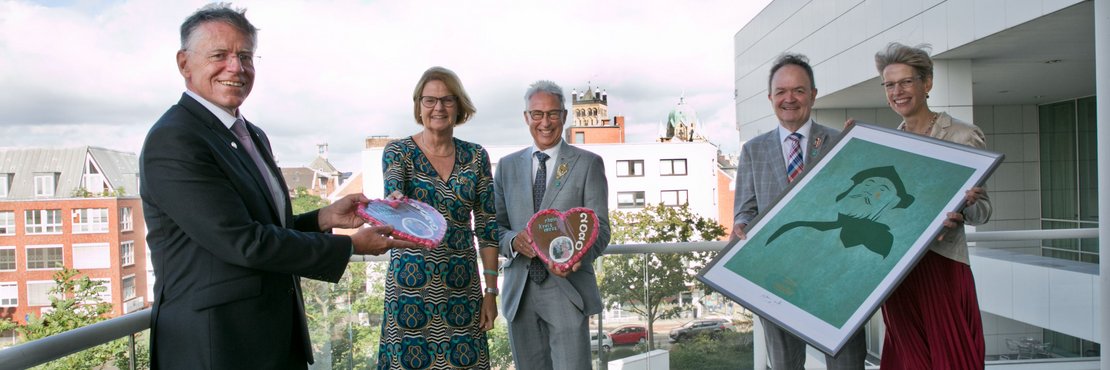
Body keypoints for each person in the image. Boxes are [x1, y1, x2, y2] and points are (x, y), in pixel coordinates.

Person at [140, 4, 417, 369]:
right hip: (216, 347)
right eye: (219, 55)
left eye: (245, 56)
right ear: (184, 63)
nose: (235, 67)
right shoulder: (174, 139)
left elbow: (264, 230)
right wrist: (347, 246)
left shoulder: (251, 135)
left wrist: (323, 218)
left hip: (271, 339)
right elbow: (242, 242)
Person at [732, 53, 866, 369]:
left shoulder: (840, 141)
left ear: (813, 94)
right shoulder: (753, 149)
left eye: (799, 90)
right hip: (777, 277)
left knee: (846, 363)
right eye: (781, 92)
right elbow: (746, 208)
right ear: (770, 98)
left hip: (837, 277)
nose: (789, 99)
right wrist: (741, 224)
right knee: (784, 365)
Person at [872, 42, 991, 369]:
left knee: (953, 360)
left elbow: (983, 212)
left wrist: (964, 208)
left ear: (927, 84)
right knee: (909, 360)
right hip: (898, 269)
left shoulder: (963, 136)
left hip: (943, 265)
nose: (897, 91)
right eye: (890, 85)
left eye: (906, 82)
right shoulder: (889, 145)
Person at [375, 66, 500, 369]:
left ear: (459, 106)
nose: (438, 108)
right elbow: (394, 197)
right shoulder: (398, 152)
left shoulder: (476, 156)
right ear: (418, 105)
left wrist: (491, 292)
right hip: (411, 288)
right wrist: (393, 202)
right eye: (429, 100)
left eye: (447, 100)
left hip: (463, 287)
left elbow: (487, 226)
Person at [494, 80, 611, 370]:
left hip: (567, 290)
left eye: (553, 114)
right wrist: (511, 241)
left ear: (564, 116)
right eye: (537, 114)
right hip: (519, 293)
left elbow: (602, 229)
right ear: (526, 118)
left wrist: (578, 255)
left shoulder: (588, 163)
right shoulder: (506, 166)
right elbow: (494, 227)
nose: (545, 122)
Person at [767, 165, 916, 258]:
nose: (870, 192)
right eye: (868, 183)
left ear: (891, 204)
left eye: (882, 191)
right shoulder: (797, 229)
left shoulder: (879, 245)